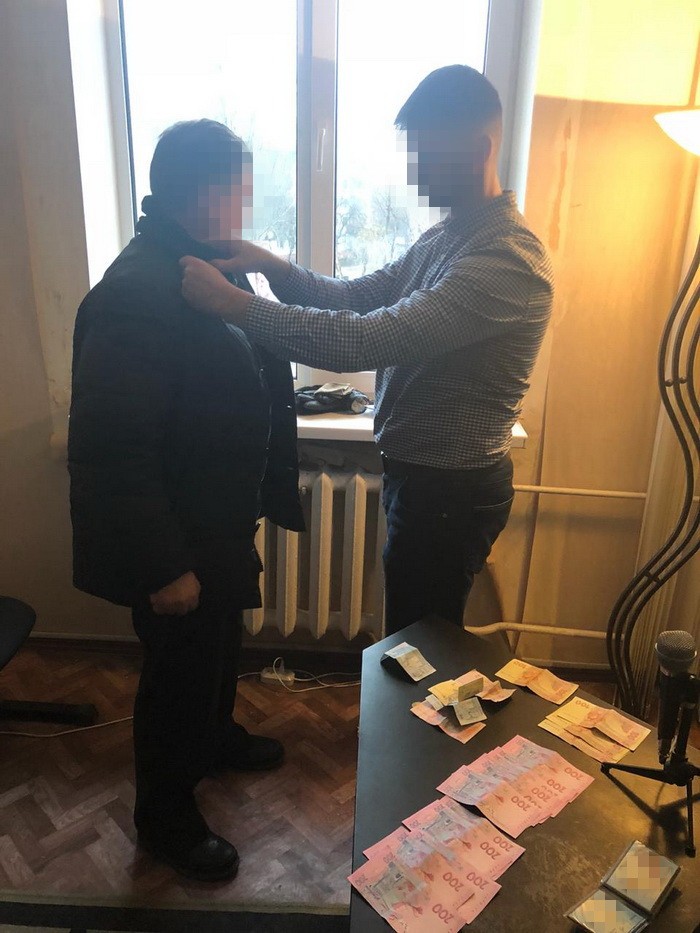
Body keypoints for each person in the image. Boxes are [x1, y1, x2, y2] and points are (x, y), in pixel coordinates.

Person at [179, 65, 554, 636]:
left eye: (427, 155)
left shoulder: (505, 261)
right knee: (414, 636)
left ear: (479, 149)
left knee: (422, 645)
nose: (414, 172)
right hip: (426, 481)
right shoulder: (448, 237)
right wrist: (273, 267)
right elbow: (358, 297)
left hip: (450, 491)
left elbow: (367, 338)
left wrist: (234, 305)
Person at [68, 120, 303, 881]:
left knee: (219, 647)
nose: (246, 203)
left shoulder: (205, 264)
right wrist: (163, 564)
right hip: (177, 535)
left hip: (217, 518)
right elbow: (113, 445)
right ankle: (165, 815)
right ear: (201, 194)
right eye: (239, 188)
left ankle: (215, 738)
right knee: (177, 673)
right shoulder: (137, 292)